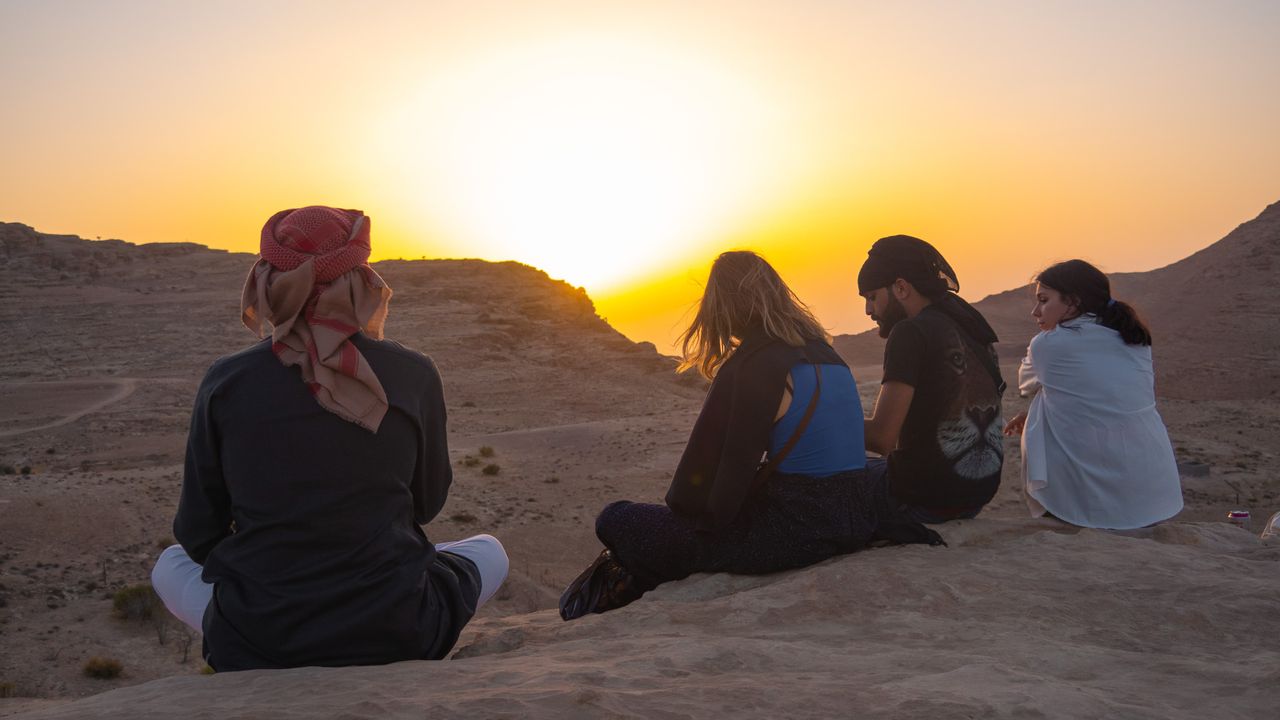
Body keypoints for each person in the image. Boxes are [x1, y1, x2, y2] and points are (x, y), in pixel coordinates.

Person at [150, 206, 508, 671]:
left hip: (260, 637)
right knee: (488, 550)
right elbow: (426, 505)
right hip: (401, 628)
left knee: (168, 564)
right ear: (361, 279)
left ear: (266, 282)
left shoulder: (227, 381)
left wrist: (273, 569)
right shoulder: (414, 373)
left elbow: (197, 534)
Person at [558, 251, 943, 621]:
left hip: (797, 533)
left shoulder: (753, 366)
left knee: (617, 518)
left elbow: (699, 497)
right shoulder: (829, 356)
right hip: (854, 519)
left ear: (722, 308)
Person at [1002, 259, 1183, 529]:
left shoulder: (1050, 344)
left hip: (1090, 489)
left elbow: (1027, 383)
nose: (1035, 311)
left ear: (1073, 302)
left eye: (1043, 300)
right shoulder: (1132, 337)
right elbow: (1099, 396)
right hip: (1151, 484)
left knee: (1042, 406)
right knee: (1044, 405)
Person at [856, 235, 1006, 523]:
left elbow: (881, 439)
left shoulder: (910, 332)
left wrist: (826, 420)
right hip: (974, 497)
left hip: (922, 498)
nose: (868, 310)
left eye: (872, 297)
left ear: (900, 287)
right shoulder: (971, 326)